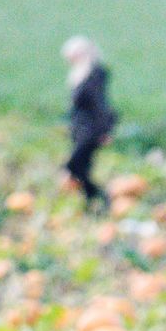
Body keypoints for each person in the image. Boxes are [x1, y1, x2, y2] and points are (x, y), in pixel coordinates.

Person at [61, 36, 116, 209]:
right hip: (80, 129)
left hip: (90, 130)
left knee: (73, 166)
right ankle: (93, 203)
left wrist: (105, 131)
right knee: (82, 169)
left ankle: (100, 197)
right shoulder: (79, 73)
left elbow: (100, 105)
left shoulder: (93, 76)